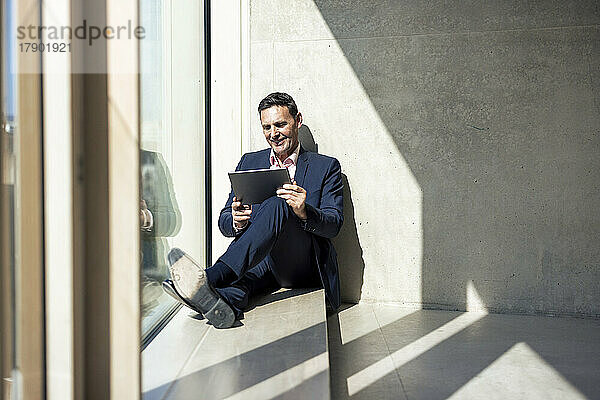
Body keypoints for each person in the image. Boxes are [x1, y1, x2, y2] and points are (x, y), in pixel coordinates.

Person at [163, 92, 343, 328]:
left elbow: (334, 223)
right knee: (241, 284)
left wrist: (305, 211)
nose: (273, 134)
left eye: (280, 124)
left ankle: (211, 278)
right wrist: (236, 219)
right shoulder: (249, 162)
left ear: (297, 120)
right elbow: (224, 220)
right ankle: (221, 305)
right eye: (266, 127)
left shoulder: (326, 166)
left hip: (300, 264)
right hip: (260, 263)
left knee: (279, 203)